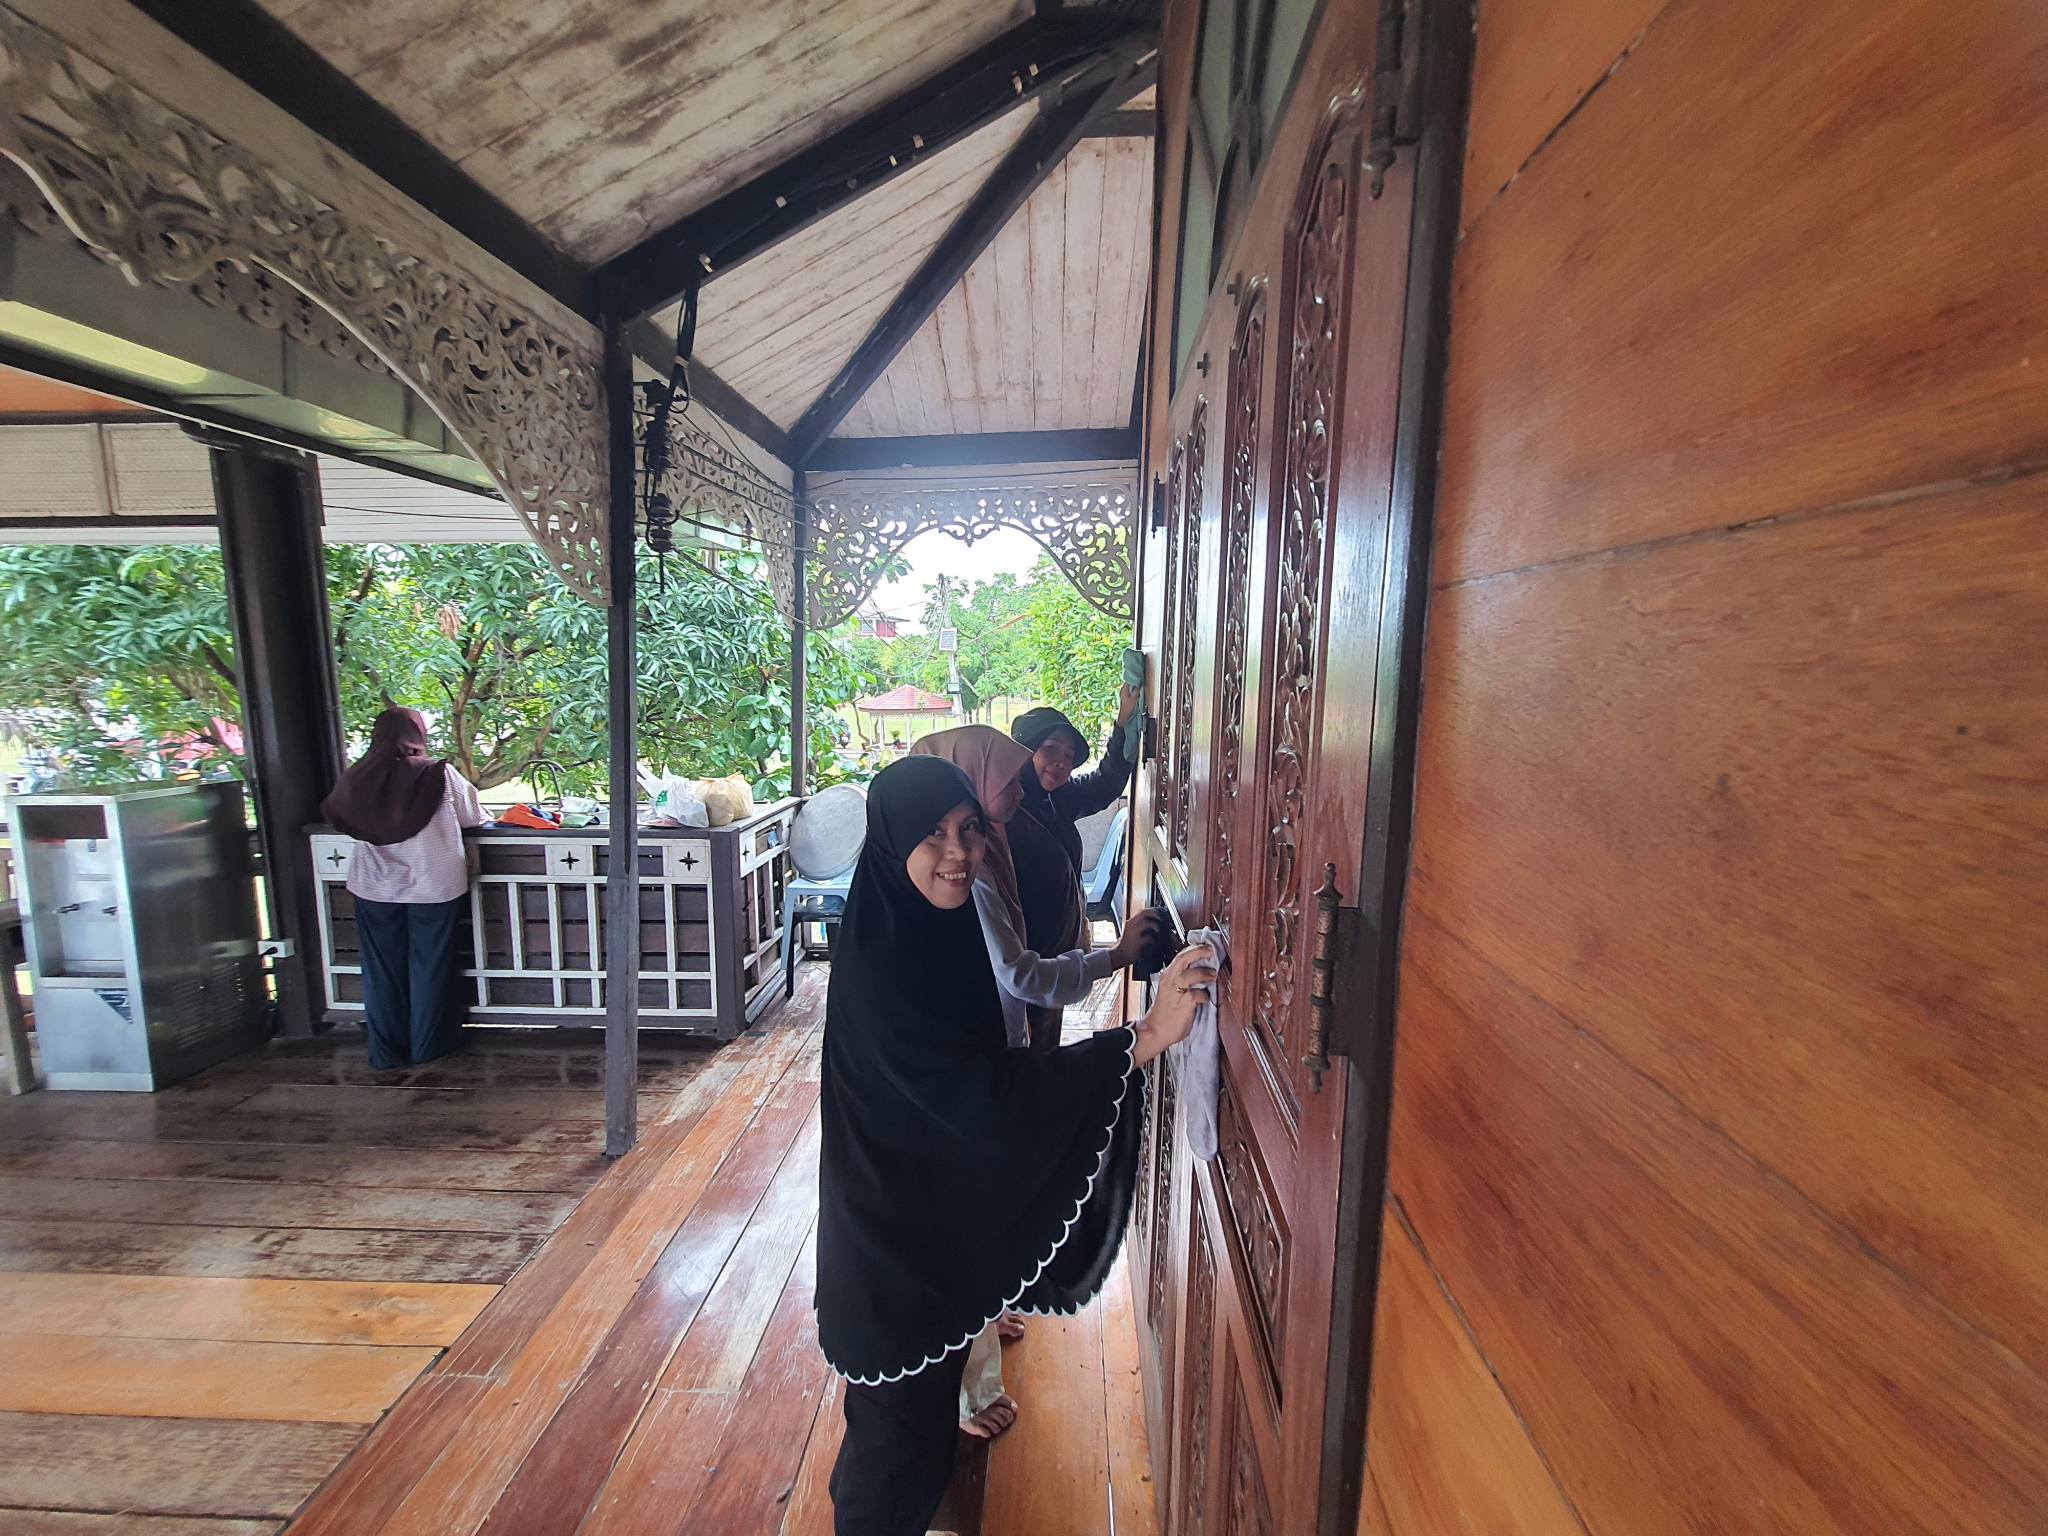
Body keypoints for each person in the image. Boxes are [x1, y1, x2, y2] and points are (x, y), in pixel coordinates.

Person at [818, 755, 1215, 1535]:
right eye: (933, 835)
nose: (958, 852)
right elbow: (979, 1097)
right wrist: (1141, 1038)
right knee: (895, 1445)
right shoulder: (886, 965)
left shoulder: (921, 926)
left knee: (910, 1425)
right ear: (892, 840)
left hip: (911, 1219)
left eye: (968, 829)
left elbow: (976, 1080)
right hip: (890, 1245)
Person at [913, 725, 1159, 1051]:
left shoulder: (1000, 833)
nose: (1020, 792)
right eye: (1009, 780)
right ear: (975, 778)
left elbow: (1103, 784)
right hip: (1008, 1012)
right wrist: (1115, 957)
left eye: (1069, 755)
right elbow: (1017, 974)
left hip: (1039, 984)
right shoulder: (966, 870)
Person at [320, 707, 485, 1071]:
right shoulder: (439, 774)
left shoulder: (357, 777)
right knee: (431, 965)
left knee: (381, 970)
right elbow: (473, 816)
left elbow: (336, 813)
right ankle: (429, 1045)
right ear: (417, 734)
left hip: (375, 886)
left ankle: (385, 1053)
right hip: (434, 885)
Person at [1009, 683, 1142, 879]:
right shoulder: (1003, 810)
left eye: (1068, 755)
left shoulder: (1057, 799)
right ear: (1025, 749)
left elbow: (1105, 783)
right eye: (1051, 747)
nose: (1061, 762)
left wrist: (1122, 724)